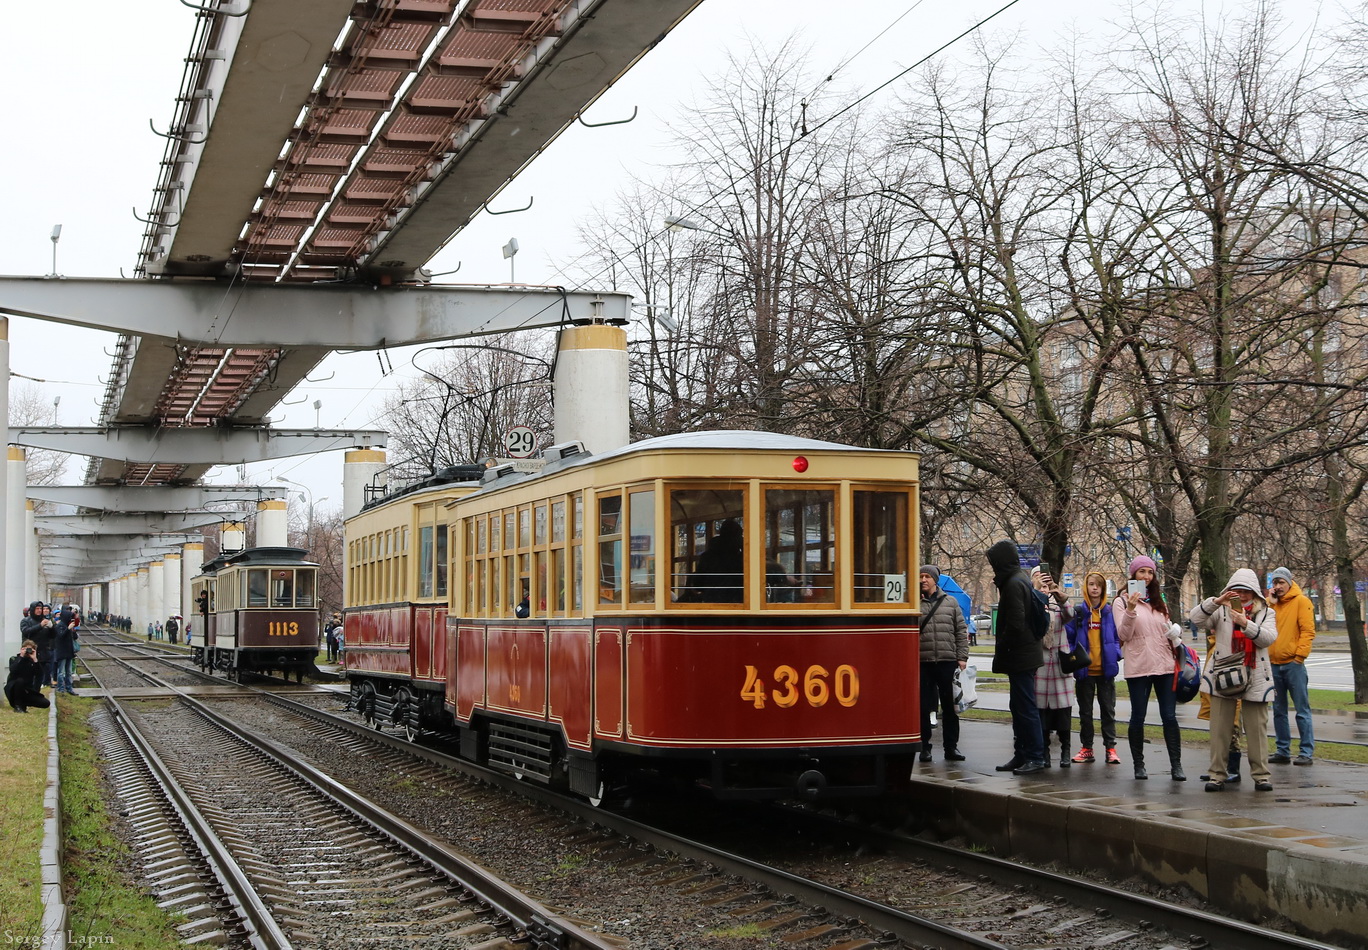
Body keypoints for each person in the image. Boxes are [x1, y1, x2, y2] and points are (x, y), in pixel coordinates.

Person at [1190, 568, 1278, 792]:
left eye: (1247, 591)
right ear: (1229, 591)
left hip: (1255, 675)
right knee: (1220, 729)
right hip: (1224, 675)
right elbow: (1195, 619)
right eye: (1237, 590)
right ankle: (1216, 775)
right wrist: (1216, 601)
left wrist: (1246, 623)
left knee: (1257, 730)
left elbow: (1268, 638)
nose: (1242, 595)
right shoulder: (1220, 610)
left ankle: (1261, 776)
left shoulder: (1266, 612)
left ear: (1256, 593)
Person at [1116, 555, 1186, 781]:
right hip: (1139, 666)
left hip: (1164, 665)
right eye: (1142, 572)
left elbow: (1164, 630)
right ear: (1133, 574)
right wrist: (1130, 609)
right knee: (1138, 717)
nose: (1146, 577)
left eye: (1150, 573)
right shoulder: (1121, 600)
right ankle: (1139, 765)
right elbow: (1123, 635)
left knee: (1169, 716)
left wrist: (1174, 633)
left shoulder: (1159, 600)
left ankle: (1176, 765)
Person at [986, 540, 1045, 775]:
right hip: (1025, 654)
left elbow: (1016, 623)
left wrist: (1003, 645)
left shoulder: (1013, 584)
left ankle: (1034, 756)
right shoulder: (1018, 579)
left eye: (994, 563)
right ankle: (1022, 754)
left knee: (1025, 707)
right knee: (1019, 706)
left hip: (1021, 655)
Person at [1065, 571, 1122, 765]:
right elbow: (1070, 638)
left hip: (1106, 671)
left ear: (1103, 589)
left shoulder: (1108, 612)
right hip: (1084, 672)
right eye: (1091, 584)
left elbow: (1116, 638)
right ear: (1086, 587)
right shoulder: (1079, 612)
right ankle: (1087, 748)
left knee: (1108, 710)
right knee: (1085, 713)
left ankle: (1111, 748)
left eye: (1098, 585)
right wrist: (1076, 657)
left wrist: (1116, 654)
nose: (1095, 588)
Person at [917, 565, 969, 763]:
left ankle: (951, 748)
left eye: (927, 576)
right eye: (920, 576)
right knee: (924, 707)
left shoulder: (951, 603)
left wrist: (962, 657)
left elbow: (960, 632)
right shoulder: (914, 604)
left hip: (947, 663)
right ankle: (925, 748)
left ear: (935, 580)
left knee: (950, 708)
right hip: (923, 662)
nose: (923, 580)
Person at [1267, 567, 1316, 766]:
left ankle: (1306, 751)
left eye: (1281, 583)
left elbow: (1307, 631)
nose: (1278, 587)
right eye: (1275, 583)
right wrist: (1270, 603)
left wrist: (1299, 656)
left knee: (1301, 709)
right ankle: (1282, 750)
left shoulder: (1301, 601)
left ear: (1289, 583)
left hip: (1293, 664)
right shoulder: (1271, 605)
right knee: (1278, 710)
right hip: (1273, 665)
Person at [1032, 566, 1074, 768]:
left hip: (1059, 662)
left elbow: (1070, 616)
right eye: (1039, 579)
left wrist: (1061, 597)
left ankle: (1066, 749)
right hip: (1040, 662)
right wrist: (1036, 592)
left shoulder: (1055, 601)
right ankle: (1045, 751)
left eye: (1046, 578)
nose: (1044, 583)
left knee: (1063, 711)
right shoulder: (1031, 600)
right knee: (1042, 712)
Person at [688, 519, 745, 603]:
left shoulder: (707, 557)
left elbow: (698, 584)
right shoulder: (740, 559)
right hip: (739, 603)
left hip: (713, 603)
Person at [6, 640, 50, 713]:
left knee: (45, 703)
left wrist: (35, 659)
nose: (28, 651)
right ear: (22, 649)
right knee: (20, 681)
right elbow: (13, 670)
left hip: (27, 690)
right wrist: (21, 657)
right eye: (26, 649)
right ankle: (18, 706)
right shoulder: (15, 659)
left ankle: (23, 704)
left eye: (30, 650)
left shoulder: (33, 662)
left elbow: (40, 675)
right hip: (14, 689)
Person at [20, 602, 55, 688]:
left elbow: (53, 636)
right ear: (32, 609)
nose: (39, 611)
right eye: (37, 609)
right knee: (29, 675)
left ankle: (38, 691)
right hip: (30, 652)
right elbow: (26, 631)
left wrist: (52, 628)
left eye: (40, 609)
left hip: (43, 653)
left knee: (40, 675)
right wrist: (40, 625)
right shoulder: (26, 621)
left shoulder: (44, 620)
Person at [52, 606, 80, 696]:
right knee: (61, 672)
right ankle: (61, 688)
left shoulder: (68, 625)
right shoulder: (60, 626)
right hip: (62, 652)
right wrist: (68, 629)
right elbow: (60, 636)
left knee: (68, 672)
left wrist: (72, 630)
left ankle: (69, 687)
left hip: (68, 651)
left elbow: (73, 637)